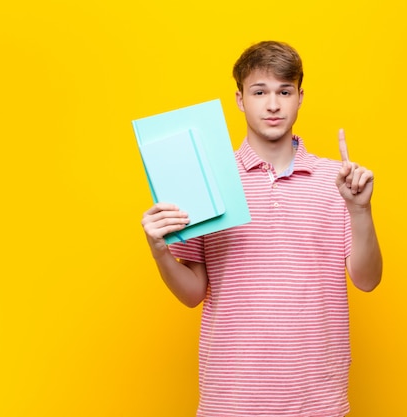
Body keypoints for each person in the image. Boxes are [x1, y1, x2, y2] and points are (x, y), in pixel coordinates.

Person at [141, 40, 382, 417]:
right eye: (260, 92)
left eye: (284, 91)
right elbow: (192, 294)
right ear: (240, 99)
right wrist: (160, 251)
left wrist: (361, 210)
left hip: (317, 400)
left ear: (300, 97)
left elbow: (367, 280)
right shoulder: (207, 181)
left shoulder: (336, 182)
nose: (273, 104)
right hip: (231, 399)